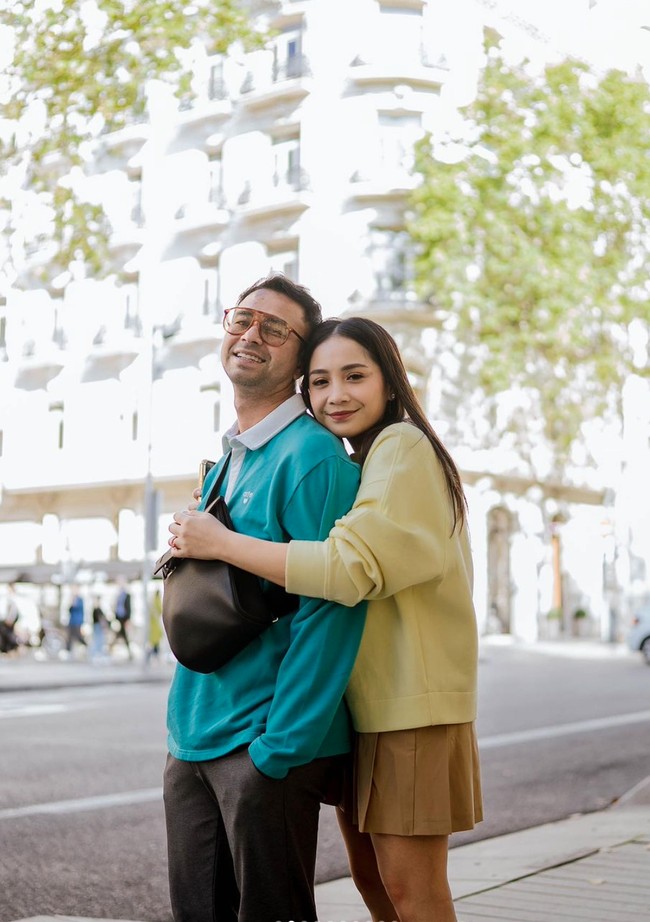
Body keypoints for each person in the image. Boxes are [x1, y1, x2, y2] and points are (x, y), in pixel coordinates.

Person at [169, 316, 482, 922]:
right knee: (375, 885)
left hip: (409, 711)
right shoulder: (359, 460)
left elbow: (346, 569)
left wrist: (222, 544)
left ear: (390, 384)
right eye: (319, 382)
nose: (335, 395)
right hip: (368, 712)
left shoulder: (402, 446)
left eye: (355, 376)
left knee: (410, 891)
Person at [163, 275, 367, 922]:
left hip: (262, 745)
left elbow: (332, 605)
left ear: (302, 361)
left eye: (275, 329)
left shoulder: (313, 457)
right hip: (192, 734)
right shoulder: (233, 452)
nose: (250, 335)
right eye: (242, 319)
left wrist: (278, 752)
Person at [111, 579, 132, 659]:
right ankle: (111, 648)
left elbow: (129, 607)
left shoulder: (127, 595)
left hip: (124, 618)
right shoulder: (118, 595)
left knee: (121, 634)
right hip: (118, 617)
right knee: (120, 634)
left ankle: (111, 648)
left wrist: (128, 619)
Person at [65, 587, 87, 655]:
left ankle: (86, 646)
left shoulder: (80, 600)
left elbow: (79, 609)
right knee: (69, 636)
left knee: (78, 636)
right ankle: (68, 651)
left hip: (77, 621)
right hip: (72, 621)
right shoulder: (72, 599)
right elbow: (69, 610)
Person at [90, 595, 108, 661]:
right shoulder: (96, 609)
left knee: (99, 639)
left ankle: (98, 653)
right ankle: (96, 653)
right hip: (97, 626)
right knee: (98, 639)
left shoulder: (98, 609)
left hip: (98, 626)